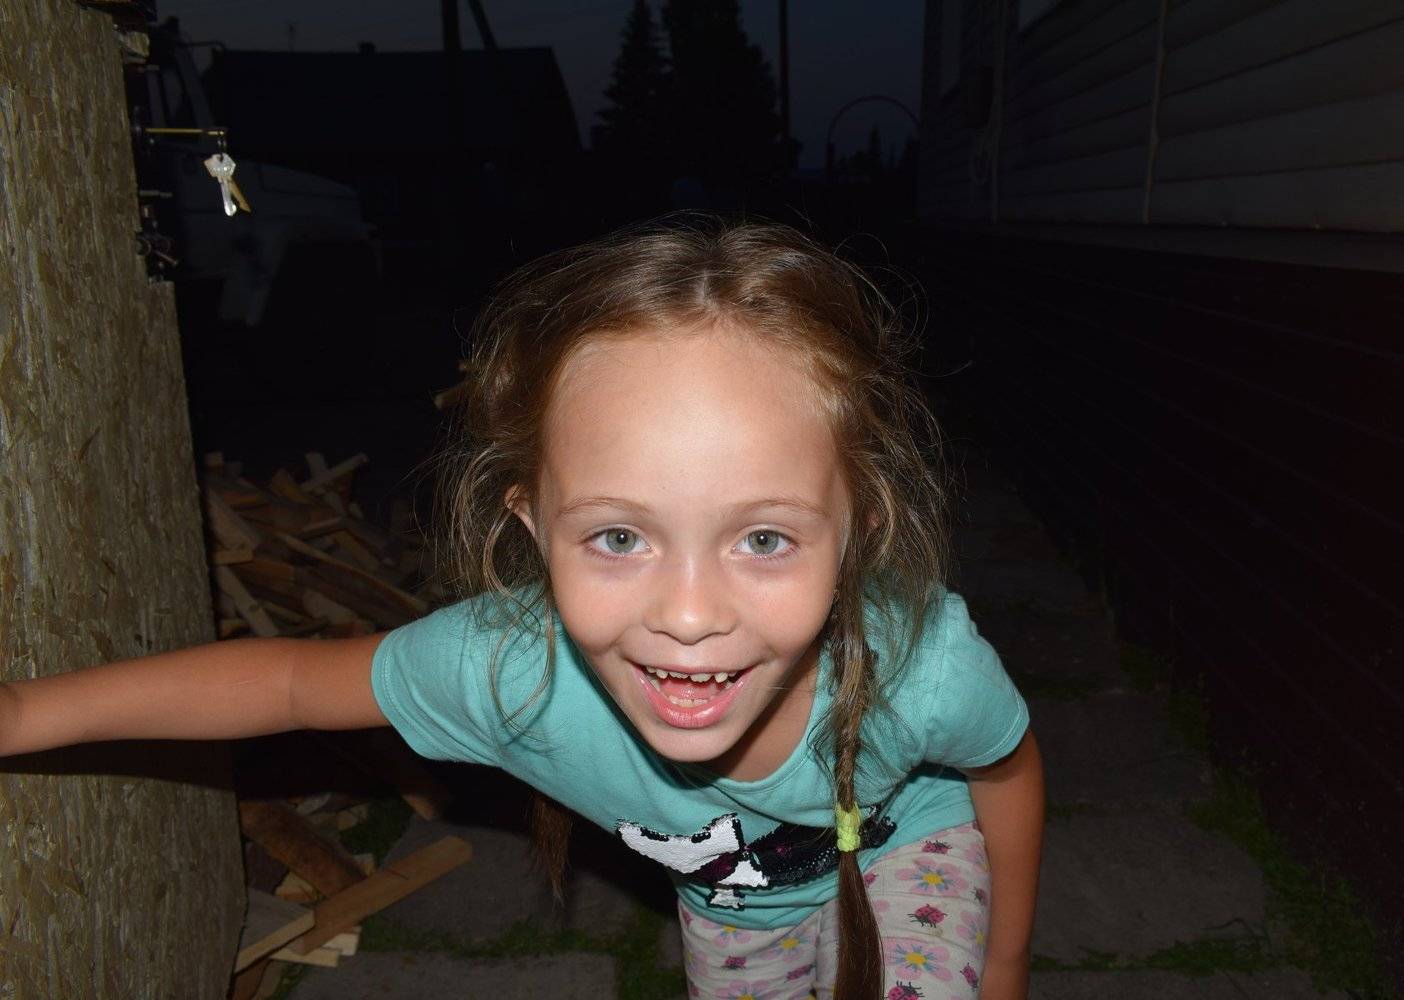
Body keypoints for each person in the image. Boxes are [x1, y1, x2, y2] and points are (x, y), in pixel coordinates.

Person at [0, 218, 1043, 1000]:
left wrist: (1002, 966)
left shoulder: (923, 670)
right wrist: (20, 711)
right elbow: (285, 682)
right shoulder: (507, 669)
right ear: (533, 526)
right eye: (619, 537)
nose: (689, 614)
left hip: (909, 858)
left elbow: (1007, 767)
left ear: (858, 530)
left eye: (763, 539)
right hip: (731, 909)